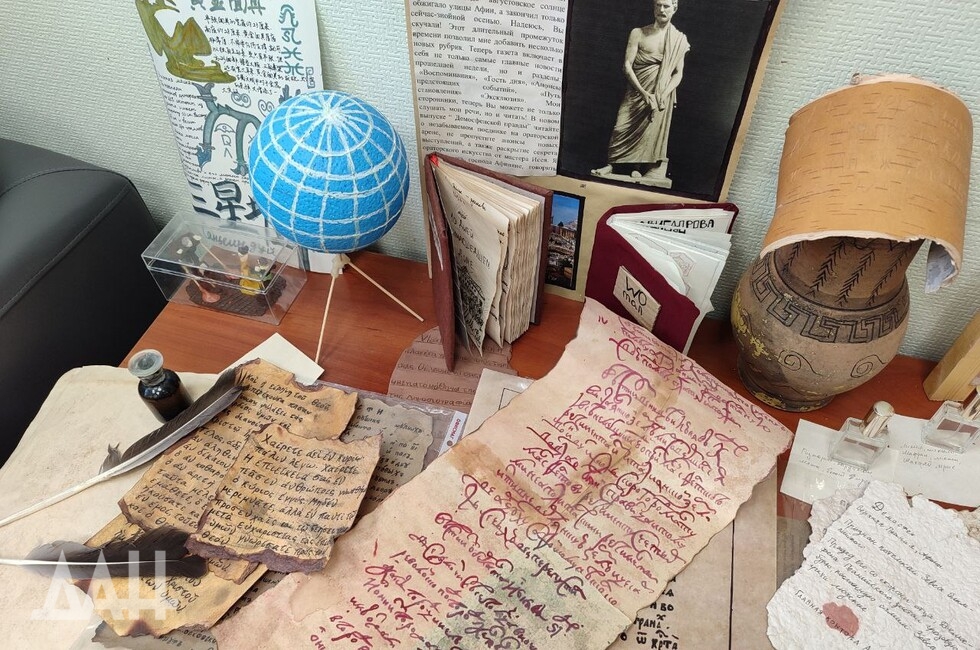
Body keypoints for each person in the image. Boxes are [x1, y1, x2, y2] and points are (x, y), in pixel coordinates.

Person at [592, 0, 689, 183]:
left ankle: (636, 167)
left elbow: (678, 73)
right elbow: (627, 65)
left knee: (649, 131)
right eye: (658, 5)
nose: (661, 9)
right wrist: (644, 94)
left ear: (674, 9)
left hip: (660, 94)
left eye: (666, 6)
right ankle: (611, 164)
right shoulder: (638, 33)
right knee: (621, 126)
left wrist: (663, 94)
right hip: (637, 91)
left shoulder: (679, 40)